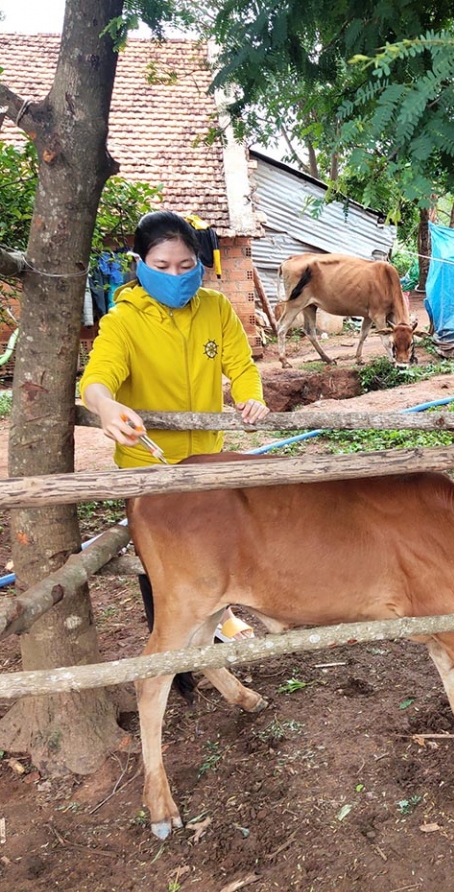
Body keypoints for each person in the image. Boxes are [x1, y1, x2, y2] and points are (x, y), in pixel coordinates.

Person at [80, 210, 270, 643]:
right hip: (148, 462)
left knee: (218, 546)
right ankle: (170, 639)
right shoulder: (123, 320)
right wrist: (106, 407)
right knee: (164, 559)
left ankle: (220, 621)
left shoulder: (216, 309)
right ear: (140, 263)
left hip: (207, 456)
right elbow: (97, 379)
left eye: (186, 267)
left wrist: (249, 395)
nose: (176, 276)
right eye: (162, 267)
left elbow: (241, 366)